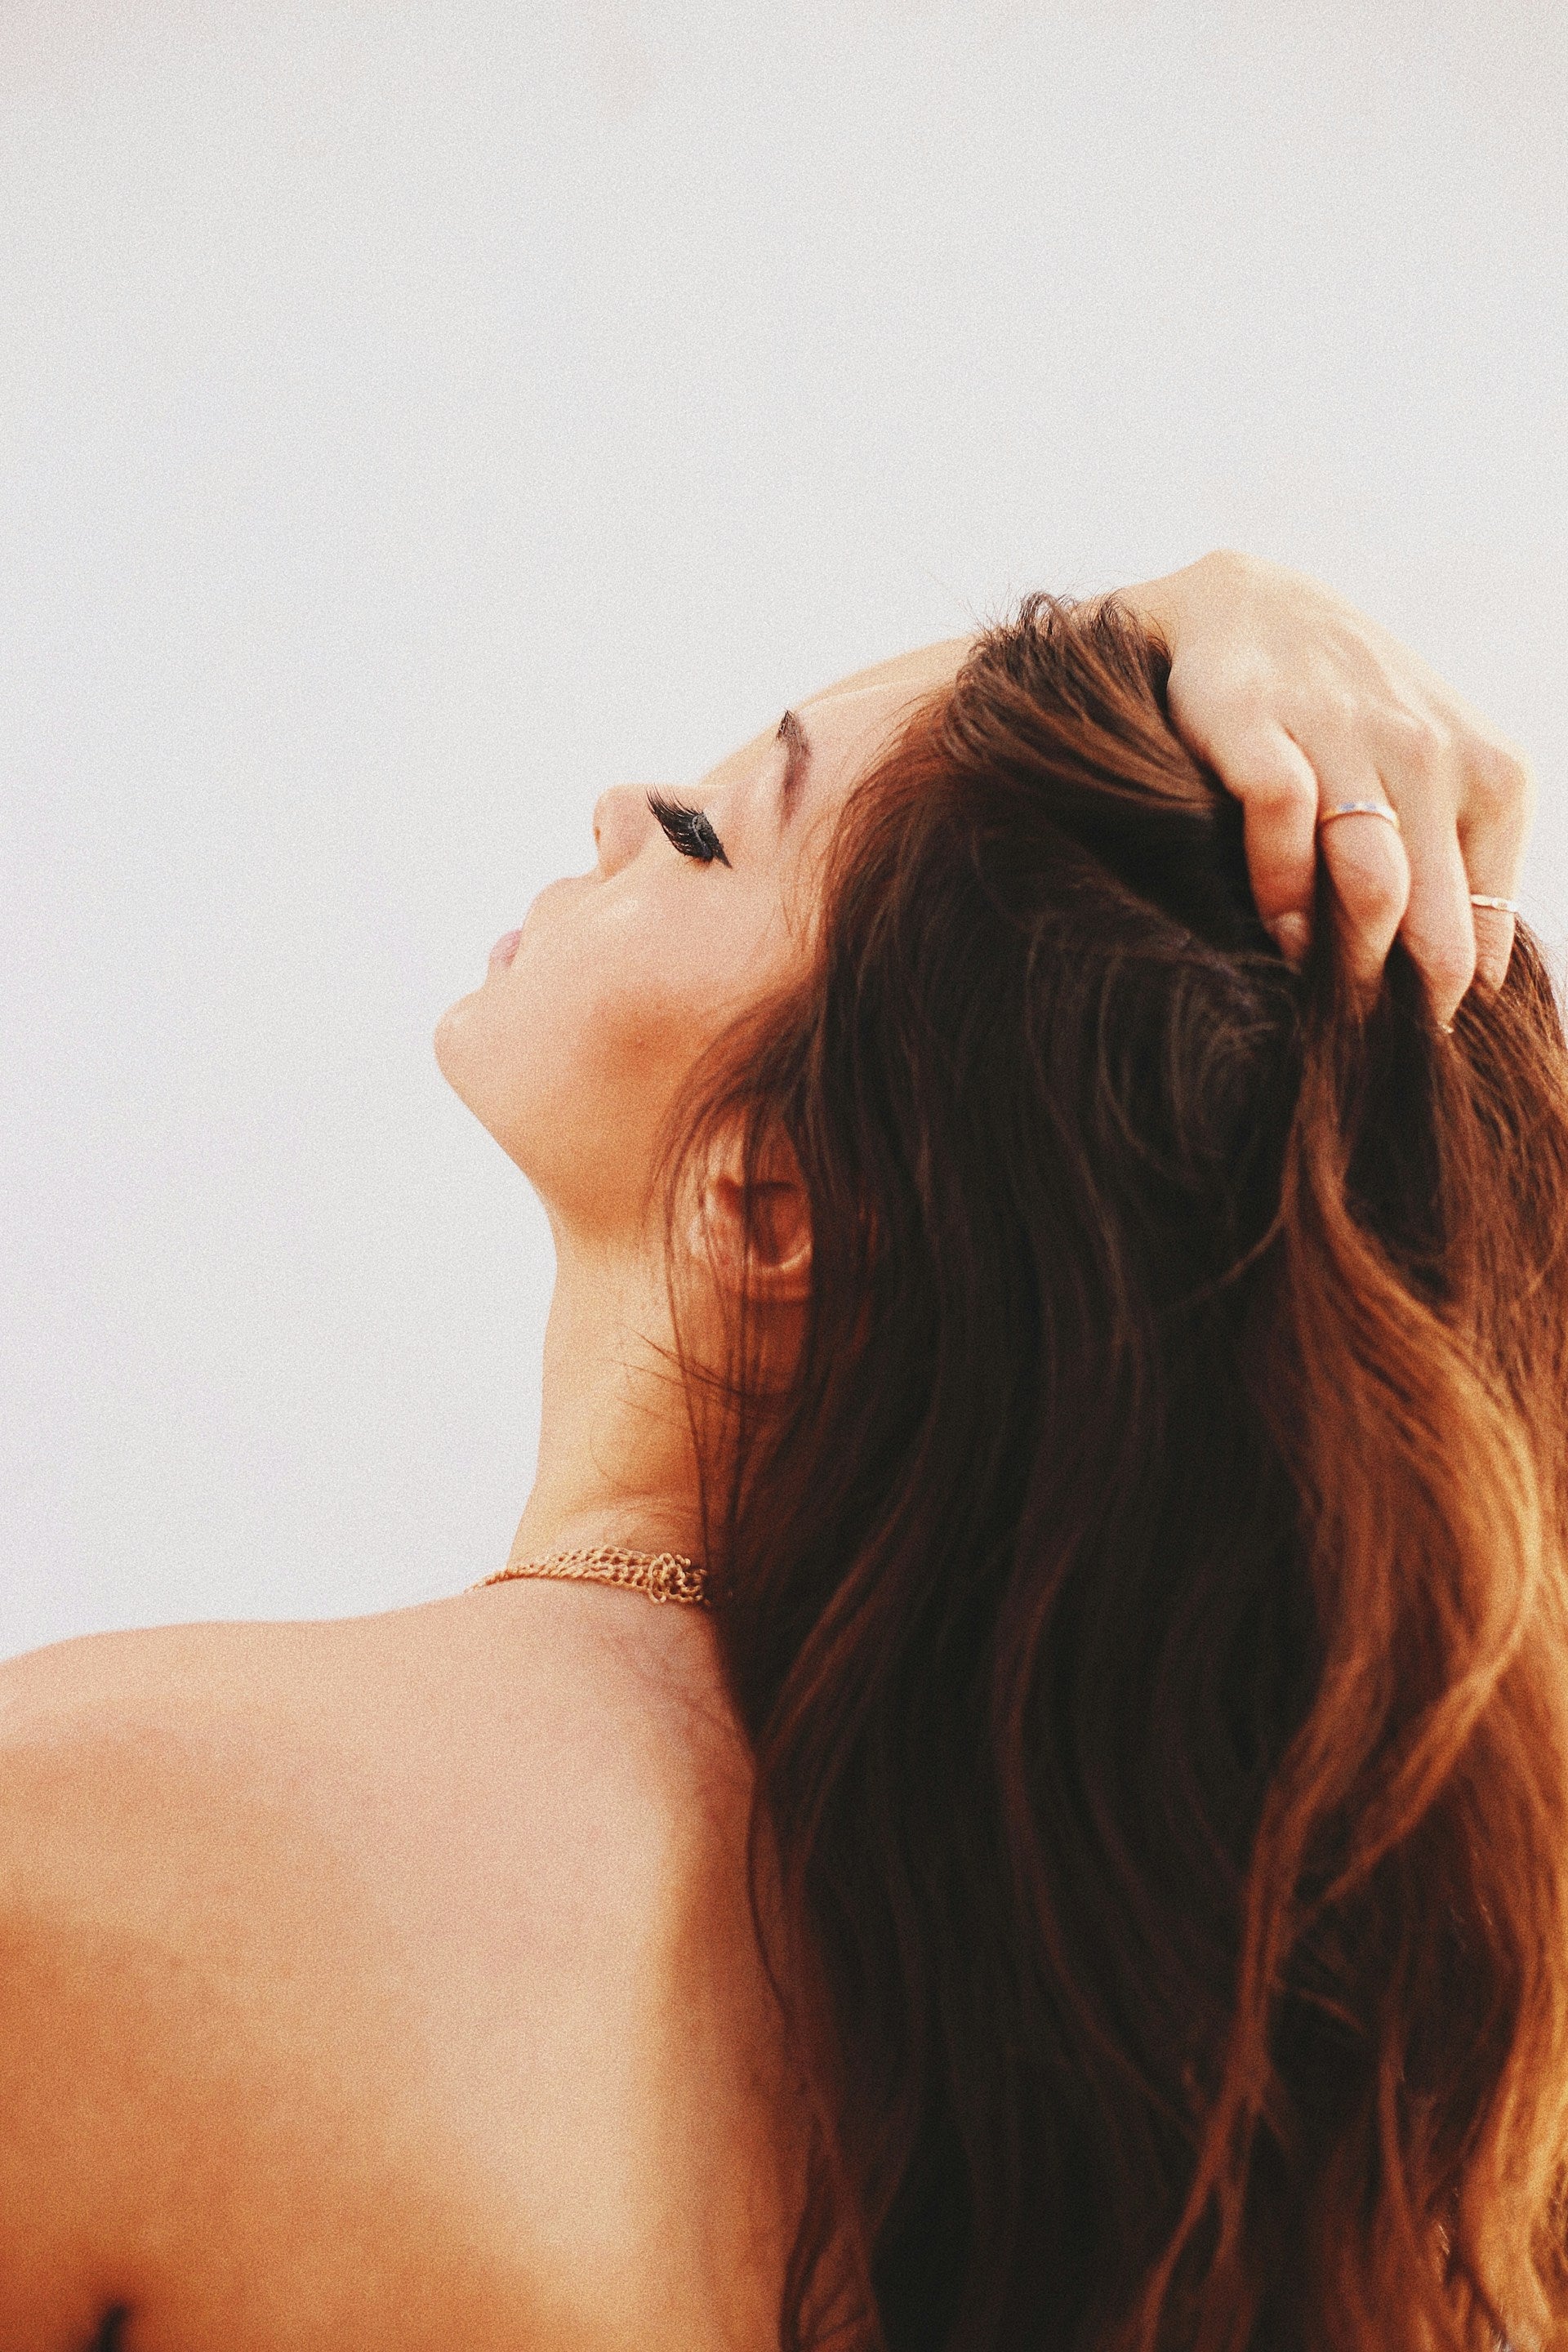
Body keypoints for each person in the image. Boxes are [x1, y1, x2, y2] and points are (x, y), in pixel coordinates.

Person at [0, 550, 1559, 2352]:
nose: (607, 810)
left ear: (772, 1201)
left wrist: (1201, 604)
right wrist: (1192, 611)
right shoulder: (1268, 2130)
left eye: (695, 828)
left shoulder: (134, 1859)